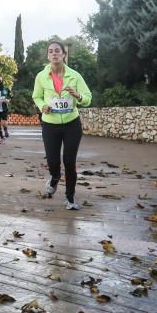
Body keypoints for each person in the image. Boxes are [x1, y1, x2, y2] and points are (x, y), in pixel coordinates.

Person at [32, 40, 92, 210]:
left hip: (72, 124)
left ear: (64, 54)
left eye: (57, 50)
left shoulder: (75, 76)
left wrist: (78, 95)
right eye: (51, 51)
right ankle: (55, 176)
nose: (54, 53)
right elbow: (36, 96)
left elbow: (88, 98)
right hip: (50, 124)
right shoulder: (41, 76)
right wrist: (42, 105)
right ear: (47, 55)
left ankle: (70, 198)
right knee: (52, 161)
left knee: (69, 161)